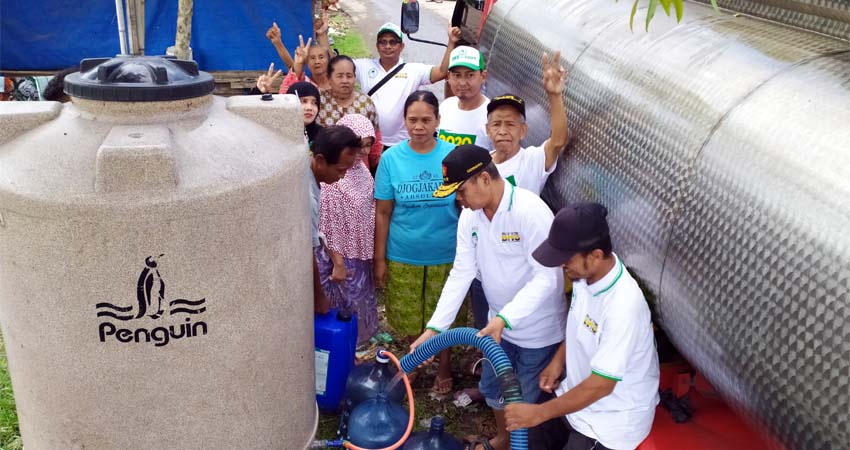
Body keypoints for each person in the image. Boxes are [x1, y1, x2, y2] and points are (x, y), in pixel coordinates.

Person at [411, 145, 567, 450]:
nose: (459, 200)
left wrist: (505, 318)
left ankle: (521, 442)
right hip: (496, 326)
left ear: (484, 178)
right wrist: (435, 329)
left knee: (523, 400)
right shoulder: (470, 218)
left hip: (537, 331)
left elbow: (547, 278)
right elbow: (461, 273)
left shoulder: (529, 211)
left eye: (461, 191)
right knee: (494, 387)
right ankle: (504, 440)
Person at [504, 203, 660, 450]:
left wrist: (541, 412)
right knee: (528, 439)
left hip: (611, 420)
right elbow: (580, 324)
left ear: (596, 255)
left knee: (536, 419)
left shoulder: (623, 306)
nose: (561, 266)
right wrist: (558, 361)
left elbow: (602, 385)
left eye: (566, 259)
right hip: (577, 394)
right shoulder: (584, 276)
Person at [374, 91, 459, 395]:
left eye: (426, 119)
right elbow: (383, 212)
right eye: (413, 120)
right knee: (409, 314)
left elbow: (465, 207)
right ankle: (416, 360)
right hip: (404, 252)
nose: (419, 126)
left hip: (446, 253)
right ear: (404, 121)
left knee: (443, 315)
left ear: (438, 120)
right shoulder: (391, 159)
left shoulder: (452, 156)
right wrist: (380, 259)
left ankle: (445, 364)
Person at [317, 114, 379, 345]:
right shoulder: (332, 178)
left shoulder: (361, 172)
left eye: (367, 144)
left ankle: (360, 345)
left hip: (359, 253)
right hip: (338, 257)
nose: (363, 151)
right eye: (358, 145)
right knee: (341, 309)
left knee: (360, 301)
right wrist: (338, 262)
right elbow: (325, 227)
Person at [354, 22, 462, 149]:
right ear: (377, 46)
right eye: (383, 42)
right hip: (370, 143)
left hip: (401, 144)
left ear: (402, 46)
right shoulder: (363, 66)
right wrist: (323, 35)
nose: (388, 46)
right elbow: (335, 67)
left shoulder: (413, 70)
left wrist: (451, 42)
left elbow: (442, 72)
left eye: (393, 42)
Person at [487, 51, 568, 195]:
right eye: (496, 124)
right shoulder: (480, 165)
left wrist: (554, 96)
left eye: (510, 124)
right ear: (487, 130)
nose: (503, 131)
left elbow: (558, 141)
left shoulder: (532, 161)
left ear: (523, 130)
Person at [309, 126, 361, 314]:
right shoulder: (308, 198)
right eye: (340, 170)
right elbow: (308, 254)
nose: (343, 176)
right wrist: (319, 296)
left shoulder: (307, 171)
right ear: (321, 161)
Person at [318, 55, 384, 172]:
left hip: (359, 170)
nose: (345, 81)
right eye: (339, 76)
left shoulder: (365, 103)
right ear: (329, 78)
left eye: (349, 76)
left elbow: (376, 139)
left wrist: (377, 166)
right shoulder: (319, 101)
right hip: (327, 170)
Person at [438, 46, 491, 151]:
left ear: (483, 76)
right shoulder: (445, 106)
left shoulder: (492, 115)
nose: (462, 83)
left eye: (470, 75)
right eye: (457, 75)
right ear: (449, 77)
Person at [287, 81, 322, 146]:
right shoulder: (279, 132)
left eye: (314, 103)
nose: (309, 108)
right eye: (303, 101)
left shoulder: (323, 136)